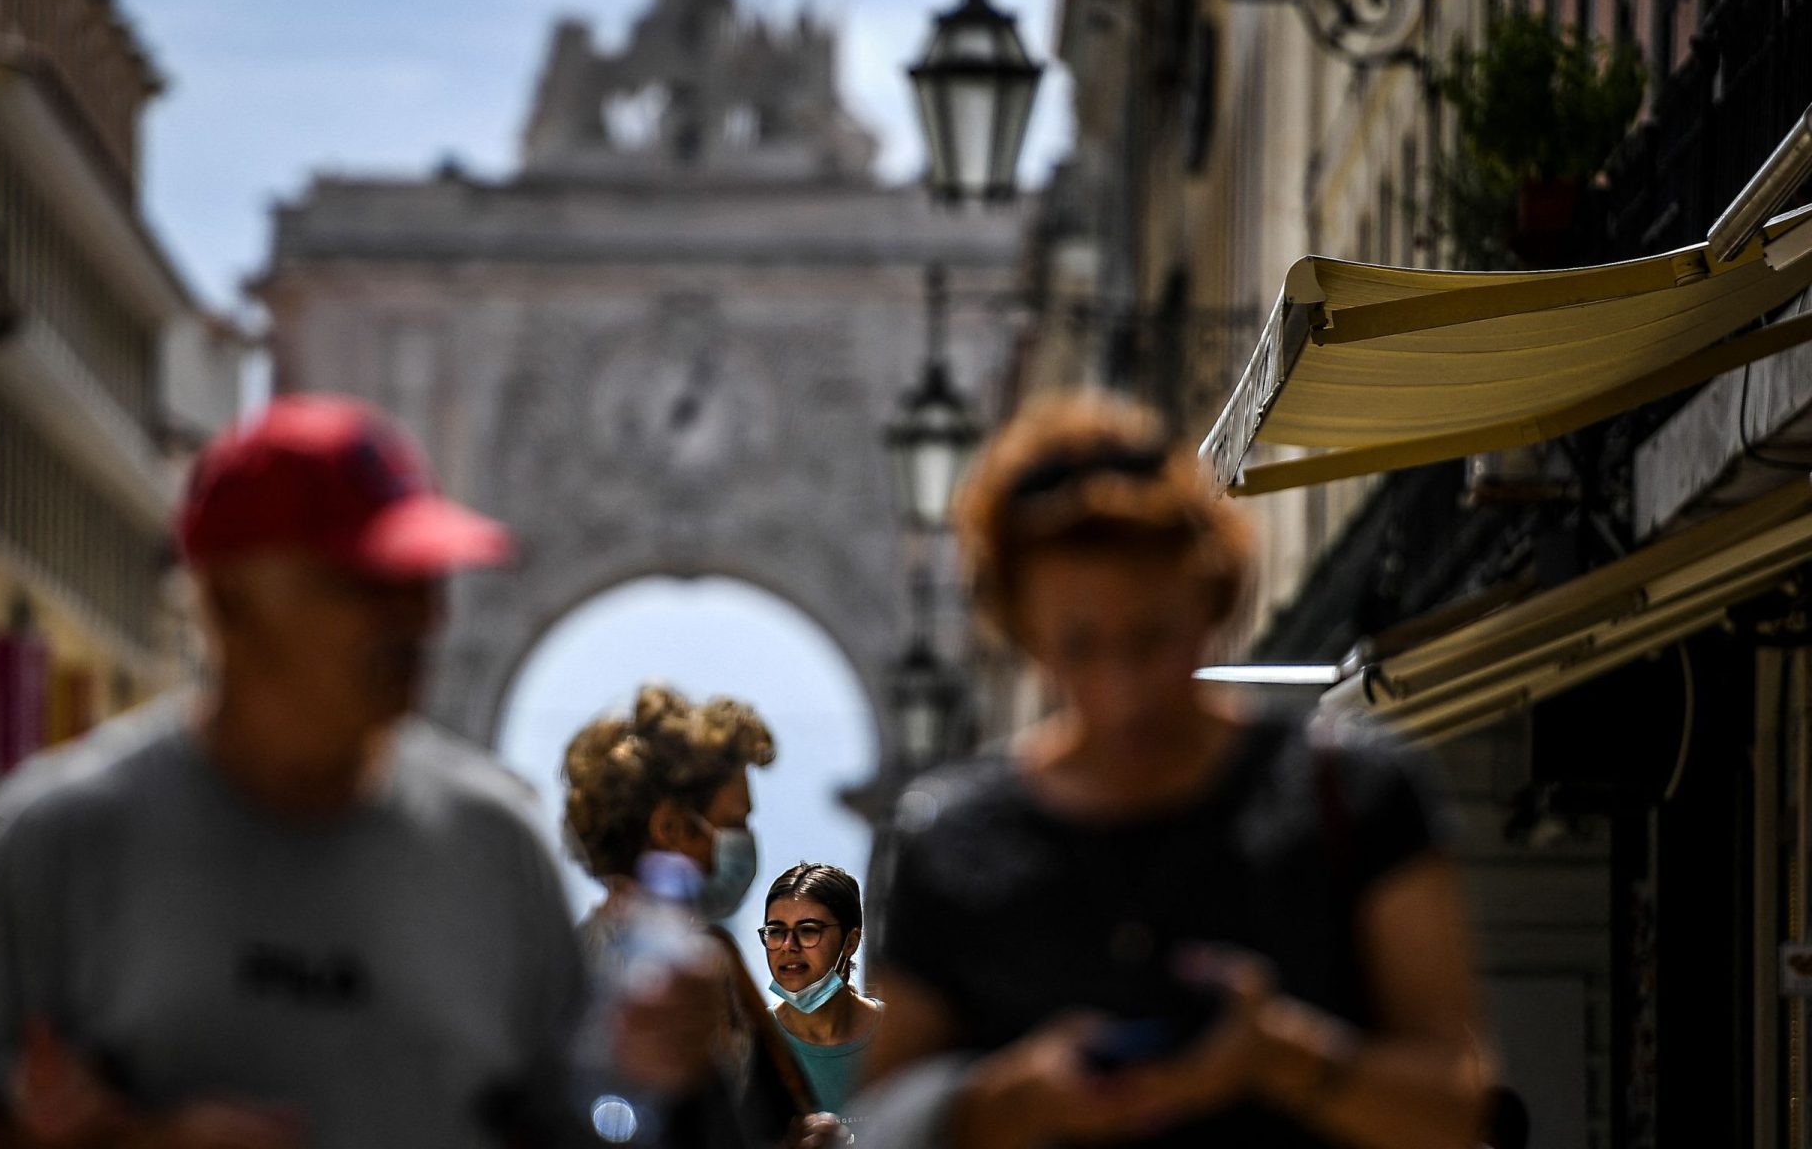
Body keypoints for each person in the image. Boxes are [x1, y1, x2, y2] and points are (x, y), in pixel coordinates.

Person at [0, 393, 646, 1149]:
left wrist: (668, 1081)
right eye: (364, 584)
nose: (419, 620)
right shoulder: (61, 836)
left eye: (424, 580)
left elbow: (585, 1125)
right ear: (228, 600)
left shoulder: (497, 845)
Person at [856, 391, 1490, 1149]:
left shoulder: (1355, 797)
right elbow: (885, 1126)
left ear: (1212, 595)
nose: (1123, 693)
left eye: (1154, 638)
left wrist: (1280, 1058)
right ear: (1022, 629)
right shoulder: (949, 846)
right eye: (1079, 648)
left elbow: (1461, 1108)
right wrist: (1015, 1101)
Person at [564, 686, 831, 1148]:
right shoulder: (604, 973)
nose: (745, 842)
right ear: (669, 827)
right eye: (734, 822)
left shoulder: (712, 956)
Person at [759, 863, 882, 1119]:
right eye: (776, 932)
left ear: (851, 941)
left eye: (808, 931)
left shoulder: (898, 1036)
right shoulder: (751, 1042)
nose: (788, 946)